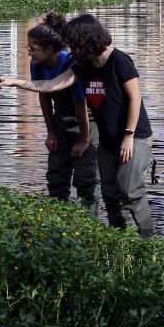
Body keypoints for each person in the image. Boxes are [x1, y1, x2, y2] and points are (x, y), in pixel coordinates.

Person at [0, 14, 154, 236]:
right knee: (109, 193)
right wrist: (15, 82)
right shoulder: (83, 66)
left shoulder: (120, 61)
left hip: (134, 136)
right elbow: (51, 85)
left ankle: (148, 239)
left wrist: (128, 135)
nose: (70, 50)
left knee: (129, 189)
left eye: (73, 45)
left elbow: (136, 98)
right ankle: (120, 239)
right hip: (108, 139)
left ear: (85, 41)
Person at [27, 13, 99, 216]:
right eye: (29, 48)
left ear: (49, 49)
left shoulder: (70, 63)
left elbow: (80, 105)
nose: (30, 53)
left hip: (87, 122)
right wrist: (51, 133)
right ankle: (59, 222)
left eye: (33, 48)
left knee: (86, 180)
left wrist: (84, 140)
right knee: (57, 177)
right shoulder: (37, 64)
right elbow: (44, 97)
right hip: (61, 122)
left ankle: (91, 225)